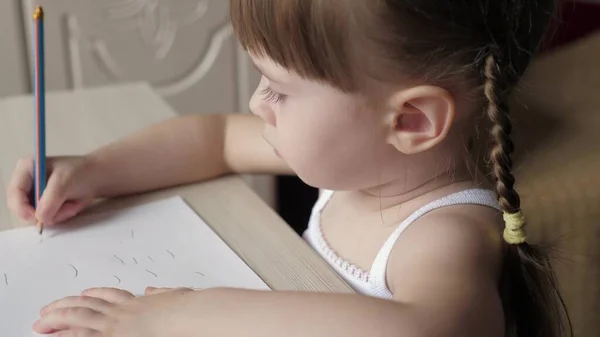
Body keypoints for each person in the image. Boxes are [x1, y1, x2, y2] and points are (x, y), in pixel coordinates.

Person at [6, 0, 571, 336]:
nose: (256, 105)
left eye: (278, 90)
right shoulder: (366, 161)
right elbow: (216, 137)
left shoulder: (444, 231)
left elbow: (422, 329)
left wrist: (180, 316)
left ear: (411, 122)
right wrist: (93, 171)